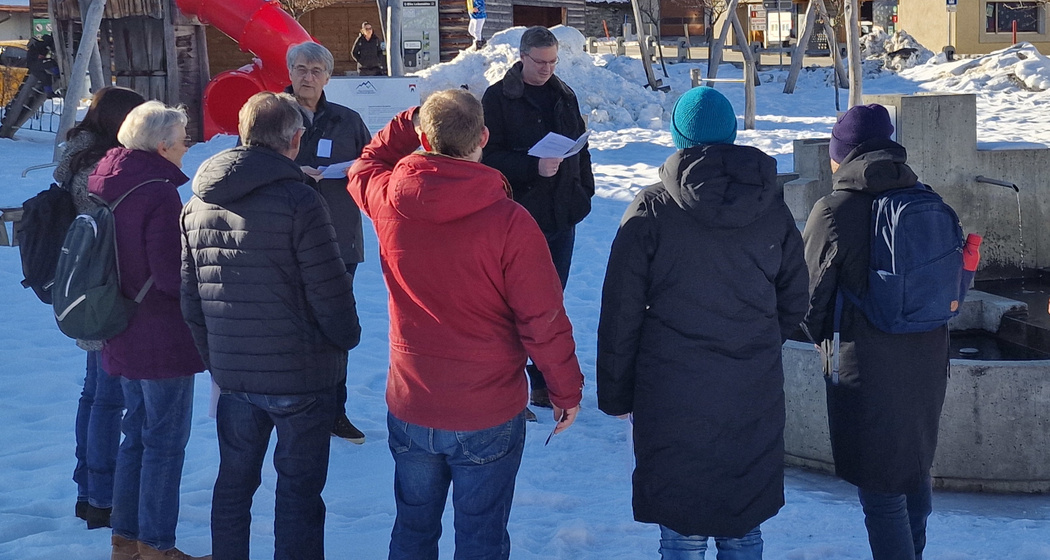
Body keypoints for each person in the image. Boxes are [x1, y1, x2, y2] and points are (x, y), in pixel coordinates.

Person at [347, 88, 584, 560]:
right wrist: (565, 390)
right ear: (484, 138)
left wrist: (412, 119)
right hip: (487, 408)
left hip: (413, 401)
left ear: (424, 138)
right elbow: (542, 317)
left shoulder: (390, 198)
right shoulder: (510, 220)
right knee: (481, 538)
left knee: (412, 532)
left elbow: (365, 164)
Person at [596, 86, 810, 560]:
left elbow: (620, 313)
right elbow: (796, 298)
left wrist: (615, 393)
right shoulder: (771, 207)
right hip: (750, 386)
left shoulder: (651, 209)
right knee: (742, 524)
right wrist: (756, 340)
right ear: (730, 134)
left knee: (682, 528)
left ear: (678, 138)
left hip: (671, 388)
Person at [181, 91, 361, 560]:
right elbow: (330, 290)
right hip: (301, 375)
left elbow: (191, 298)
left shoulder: (197, 202)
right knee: (299, 492)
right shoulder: (300, 199)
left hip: (235, 373)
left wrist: (218, 359)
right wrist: (345, 341)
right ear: (297, 139)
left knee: (233, 484)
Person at [801, 103, 948, 560]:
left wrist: (824, 340)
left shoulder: (832, 211)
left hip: (867, 366)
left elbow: (808, 300)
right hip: (929, 359)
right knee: (915, 469)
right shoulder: (927, 197)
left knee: (881, 492)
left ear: (841, 155)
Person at [87, 101, 208, 560]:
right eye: (182, 139)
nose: (187, 146)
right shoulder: (157, 191)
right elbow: (170, 276)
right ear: (161, 145)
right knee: (164, 443)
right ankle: (156, 545)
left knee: (135, 434)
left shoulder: (109, 177)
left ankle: (125, 541)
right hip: (160, 336)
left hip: (120, 325)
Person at [481, 26, 594, 415]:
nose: (547, 69)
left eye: (553, 62)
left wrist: (585, 190)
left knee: (551, 302)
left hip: (563, 213)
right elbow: (486, 157)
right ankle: (510, 387)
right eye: (540, 62)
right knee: (514, 305)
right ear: (522, 57)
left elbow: (581, 147)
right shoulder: (498, 98)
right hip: (519, 216)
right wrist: (532, 167)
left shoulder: (564, 94)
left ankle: (544, 383)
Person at [54, 85, 144, 530]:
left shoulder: (78, 156)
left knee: (94, 395)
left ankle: (88, 490)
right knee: (108, 398)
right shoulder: (100, 167)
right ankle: (101, 496)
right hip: (103, 289)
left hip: (84, 285)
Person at [285, 40, 371, 443]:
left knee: (335, 328)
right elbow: (244, 164)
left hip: (339, 239)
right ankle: (295, 412)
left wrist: (353, 170)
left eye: (316, 71)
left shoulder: (347, 120)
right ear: (289, 72)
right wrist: (294, 171)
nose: (308, 77)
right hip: (284, 240)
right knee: (292, 329)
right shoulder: (270, 114)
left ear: (328, 77)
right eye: (301, 69)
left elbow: (373, 165)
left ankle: (335, 411)